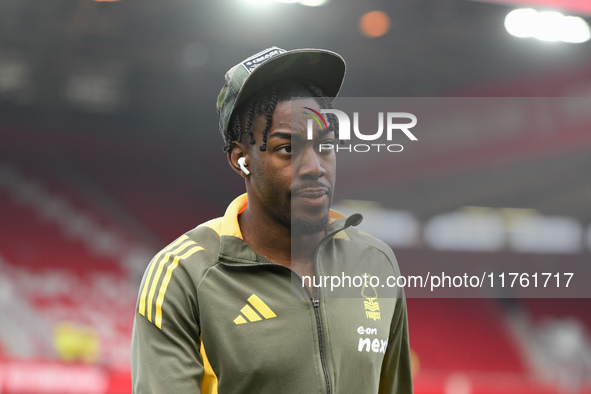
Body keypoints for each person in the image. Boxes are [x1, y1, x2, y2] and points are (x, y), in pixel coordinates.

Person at [131, 46, 413, 393]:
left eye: (325, 145)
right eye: (287, 149)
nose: (315, 167)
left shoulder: (376, 263)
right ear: (241, 160)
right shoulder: (184, 274)